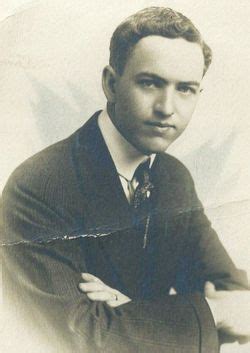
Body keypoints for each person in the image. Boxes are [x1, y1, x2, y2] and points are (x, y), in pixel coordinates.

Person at [1, 6, 249, 353]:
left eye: (186, 89)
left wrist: (128, 310)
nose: (167, 107)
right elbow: (83, 339)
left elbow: (239, 296)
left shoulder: (173, 177)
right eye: (150, 83)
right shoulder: (40, 186)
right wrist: (210, 313)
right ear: (111, 83)